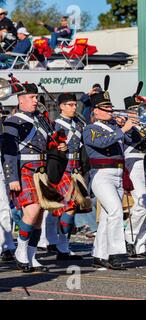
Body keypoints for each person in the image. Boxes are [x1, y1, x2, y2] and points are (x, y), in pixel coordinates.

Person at [2, 82, 68, 272]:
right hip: (24, 169)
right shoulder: (13, 121)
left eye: (36, 97)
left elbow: (51, 141)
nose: (35, 101)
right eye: (31, 98)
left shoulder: (41, 120)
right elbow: (9, 151)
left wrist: (60, 146)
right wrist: (12, 178)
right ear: (21, 99)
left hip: (42, 170)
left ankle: (31, 256)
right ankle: (21, 251)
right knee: (32, 210)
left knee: (39, 214)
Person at [83, 77, 137, 270]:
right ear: (95, 111)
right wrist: (122, 128)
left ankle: (99, 253)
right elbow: (102, 143)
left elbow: (137, 142)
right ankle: (116, 254)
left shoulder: (116, 127)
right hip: (101, 176)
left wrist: (131, 126)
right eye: (106, 108)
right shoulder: (90, 129)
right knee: (115, 211)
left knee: (108, 217)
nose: (110, 111)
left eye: (110, 107)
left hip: (119, 175)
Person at [52, 93, 89, 260]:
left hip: (76, 169)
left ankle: (63, 245)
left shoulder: (79, 124)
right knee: (68, 207)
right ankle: (61, 247)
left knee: (72, 208)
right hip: (63, 168)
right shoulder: (54, 125)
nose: (74, 107)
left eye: (75, 104)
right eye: (71, 105)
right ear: (62, 106)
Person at [122, 94, 146, 260]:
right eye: (135, 110)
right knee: (142, 203)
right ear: (129, 112)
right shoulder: (125, 124)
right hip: (133, 162)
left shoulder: (145, 125)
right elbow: (138, 137)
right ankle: (128, 237)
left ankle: (140, 244)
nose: (139, 113)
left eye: (140, 110)